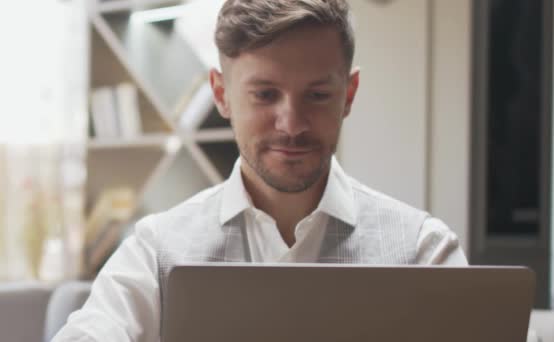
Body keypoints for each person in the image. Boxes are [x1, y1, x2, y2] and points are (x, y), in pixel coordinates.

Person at [53, 0, 467, 341]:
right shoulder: (156, 252)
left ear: (349, 94)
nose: (291, 124)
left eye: (318, 95)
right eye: (265, 95)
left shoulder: (423, 252)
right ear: (221, 94)